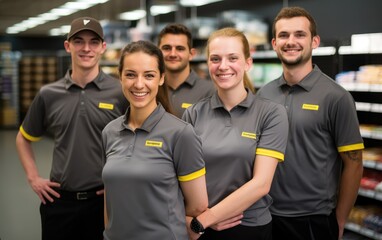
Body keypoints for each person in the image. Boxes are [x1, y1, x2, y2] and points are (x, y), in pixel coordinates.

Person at [15, 17, 128, 240]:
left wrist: (122, 181)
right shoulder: (49, 94)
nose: (86, 48)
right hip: (59, 202)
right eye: (79, 41)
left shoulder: (120, 92)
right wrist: (33, 178)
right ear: (68, 46)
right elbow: (23, 138)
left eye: (94, 42)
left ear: (103, 47)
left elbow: (138, 140)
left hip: (104, 201)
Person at [257, 6, 364, 240]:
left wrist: (341, 218)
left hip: (314, 219)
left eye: (299, 34)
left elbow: (354, 164)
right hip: (265, 214)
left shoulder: (336, 97)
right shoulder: (263, 94)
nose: (290, 41)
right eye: (283, 35)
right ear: (274, 43)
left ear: (314, 41)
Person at [182, 27, 289, 240]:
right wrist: (189, 221)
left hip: (248, 227)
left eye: (232, 58)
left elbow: (261, 184)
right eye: (215, 59)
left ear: (248, 63)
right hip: (201, 230)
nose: (223, 66)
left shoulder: (271, 113)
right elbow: (181, 177)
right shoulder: (193, 114)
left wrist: (206, 219)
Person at [101, 40, 208, 240]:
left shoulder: (181, 133)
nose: (139, 84)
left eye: (149, 75)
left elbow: (198, 206)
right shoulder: (110, 131)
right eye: (130, 74)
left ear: (161, 79)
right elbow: (110, 194)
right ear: (120, 77)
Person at [157, 23, 216, 118]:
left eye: (180, 49)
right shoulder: (149, 88)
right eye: (167, 48)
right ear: (157, 52)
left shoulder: (210, 91)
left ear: (191, 54)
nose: (172, 54)